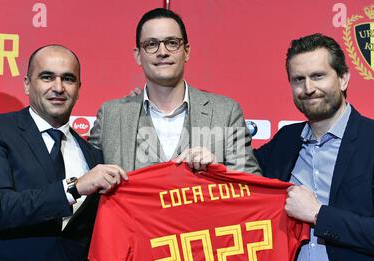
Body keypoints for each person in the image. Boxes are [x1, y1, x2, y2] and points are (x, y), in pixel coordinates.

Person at [254, 34, 374, 261]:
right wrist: (207, 157)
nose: (308, 88)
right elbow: (238, 175)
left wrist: (318, 214)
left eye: (318, 76)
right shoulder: (286, 140)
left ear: (343, 79)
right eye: (298, 79)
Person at [0, 45, 125, 261]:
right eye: (47, 77)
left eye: (68, 79)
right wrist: (73, 188)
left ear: (79, 89)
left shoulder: (92, 155)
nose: (59, 87)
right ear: (27, 84)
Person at [89, 8, 260, 174]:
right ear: (138, 56)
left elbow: (253, 187)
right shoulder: (110, 116)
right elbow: (88, 186)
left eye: (172, 43)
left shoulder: (226, 113)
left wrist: (217, 170)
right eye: (151, 44)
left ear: (186, 51)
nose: (162, 52)